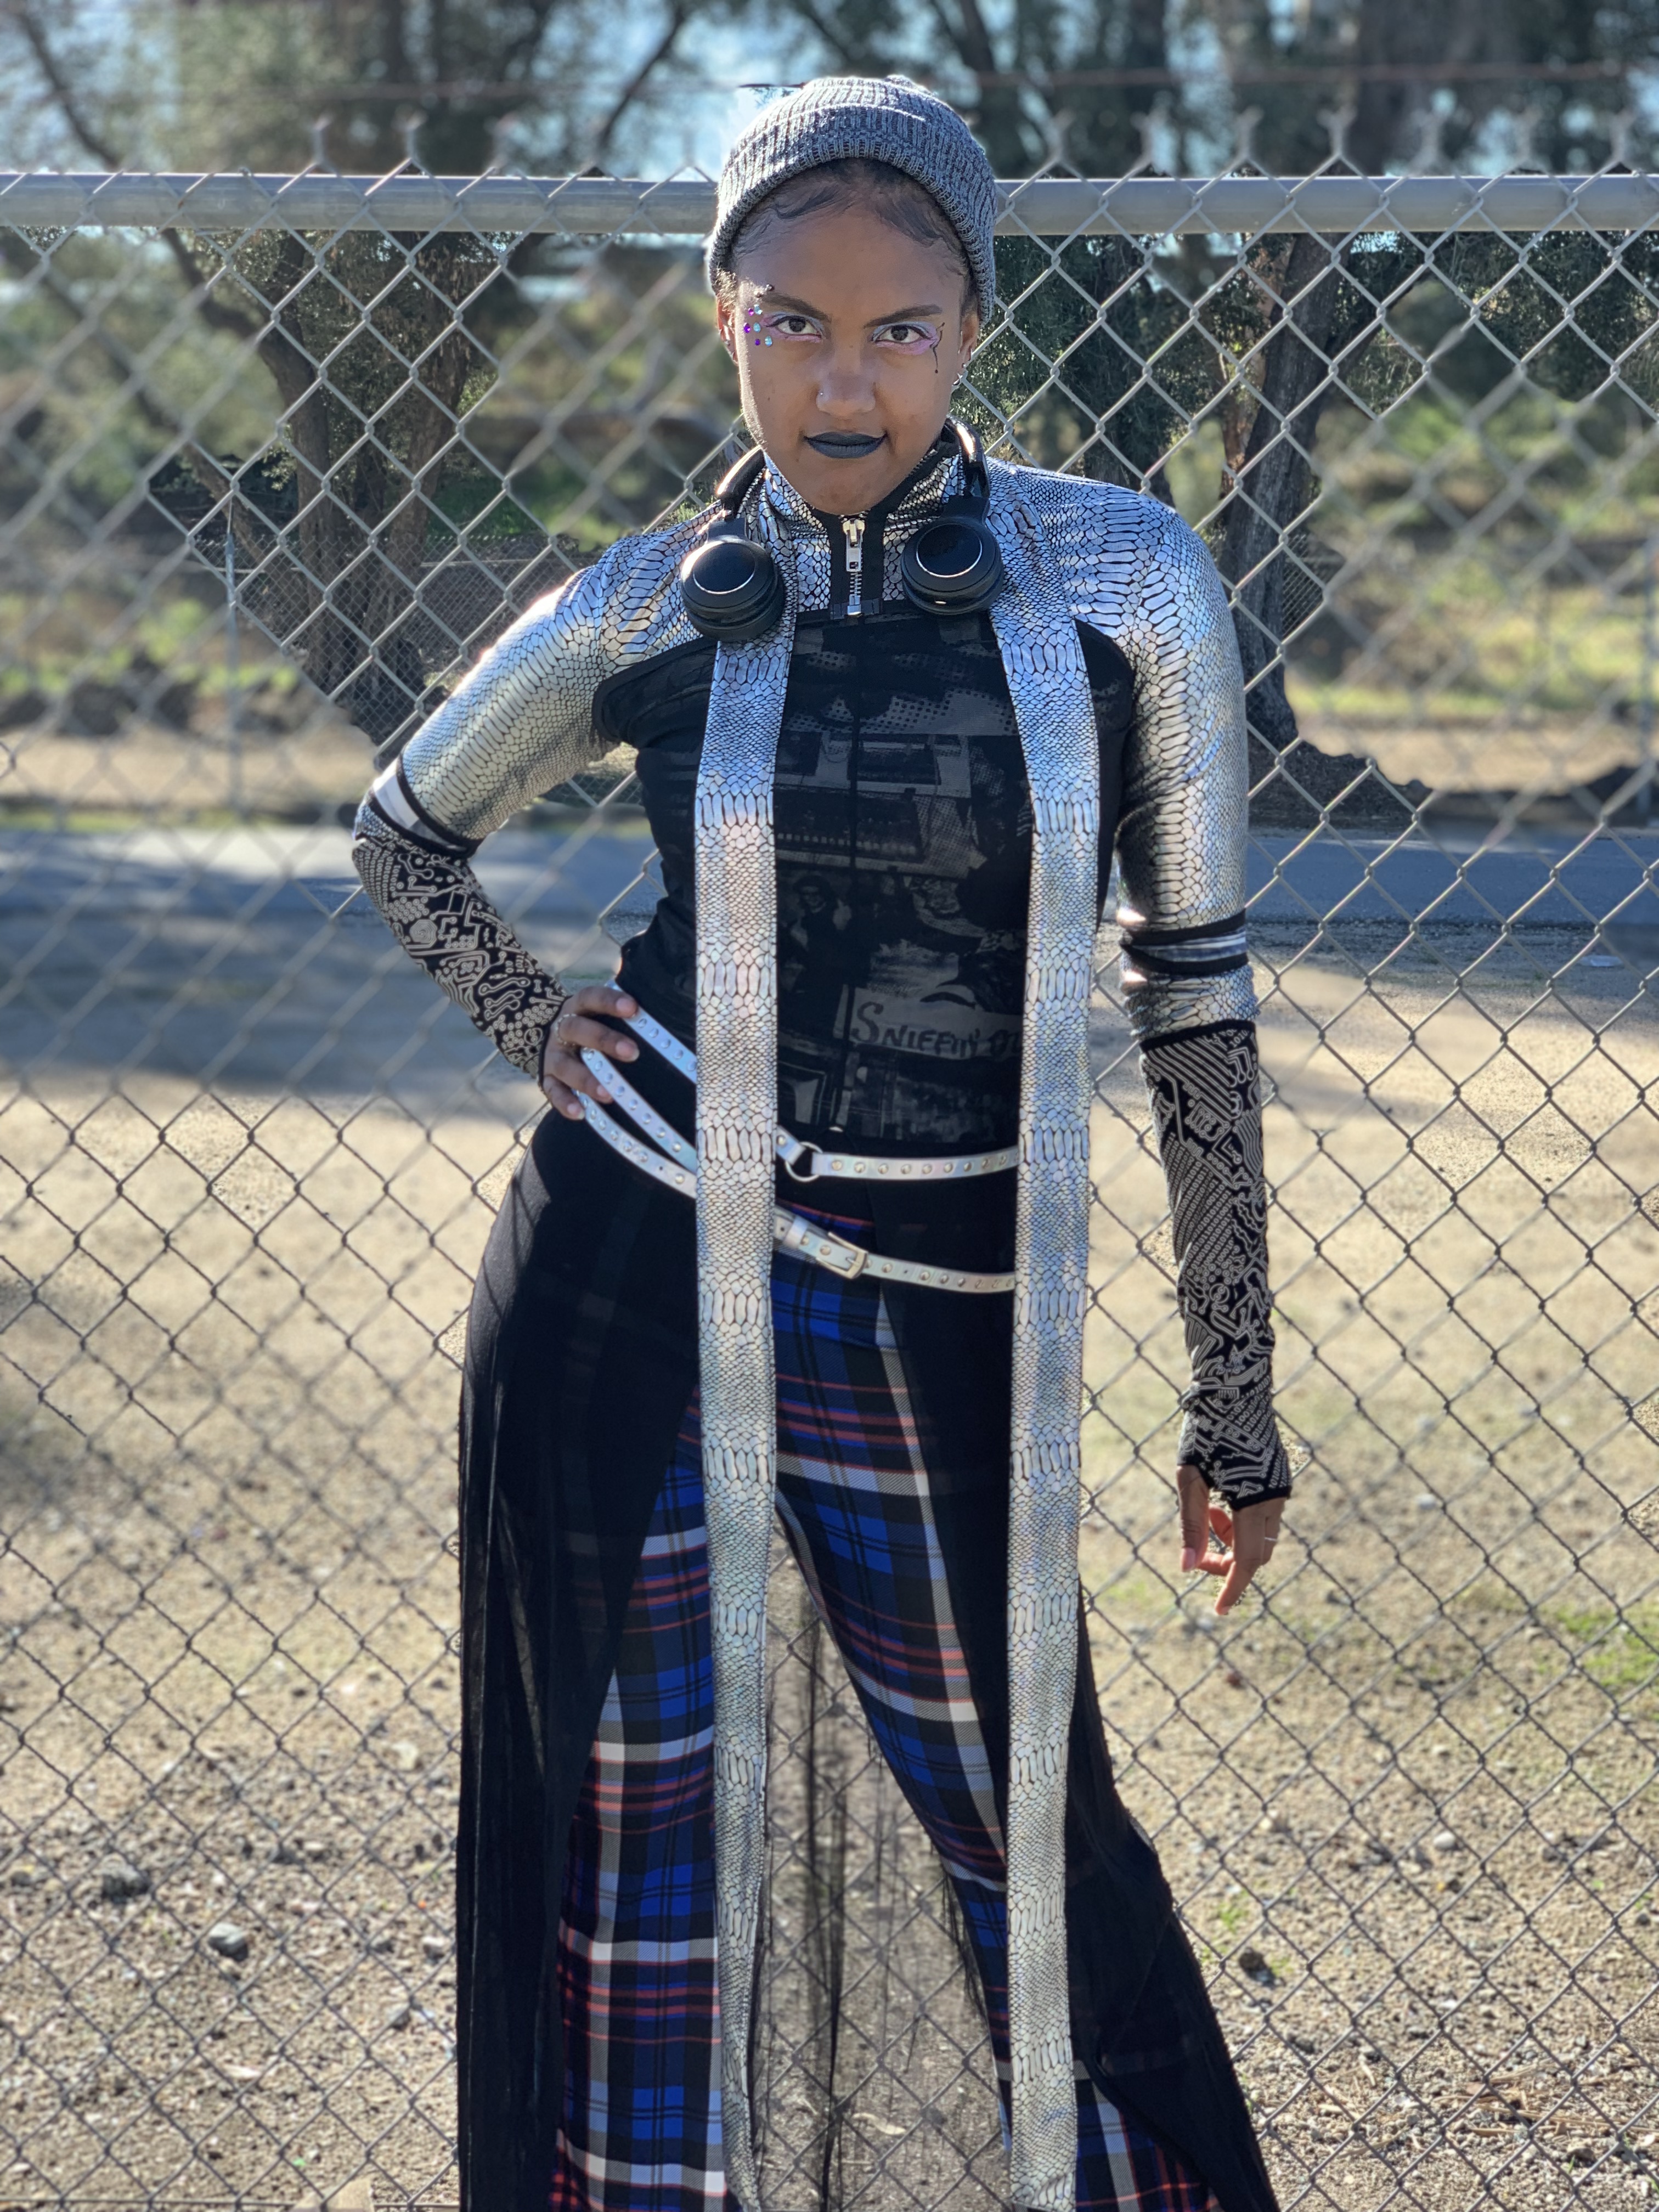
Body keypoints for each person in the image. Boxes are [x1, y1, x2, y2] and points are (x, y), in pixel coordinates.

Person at [351, 75, 1291, 2212]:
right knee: (629, 1838)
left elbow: (1199, 993)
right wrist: (532, 1021)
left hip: (942, 1308)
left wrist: (1233, 1400)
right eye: (790, 323)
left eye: (897, 329)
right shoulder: (645, 600)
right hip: (623, 1282)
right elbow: (406, 833)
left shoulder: (1126, 581)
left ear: (973, 328)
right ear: (724, 320)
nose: (841, 381)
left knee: (1023, 1829)